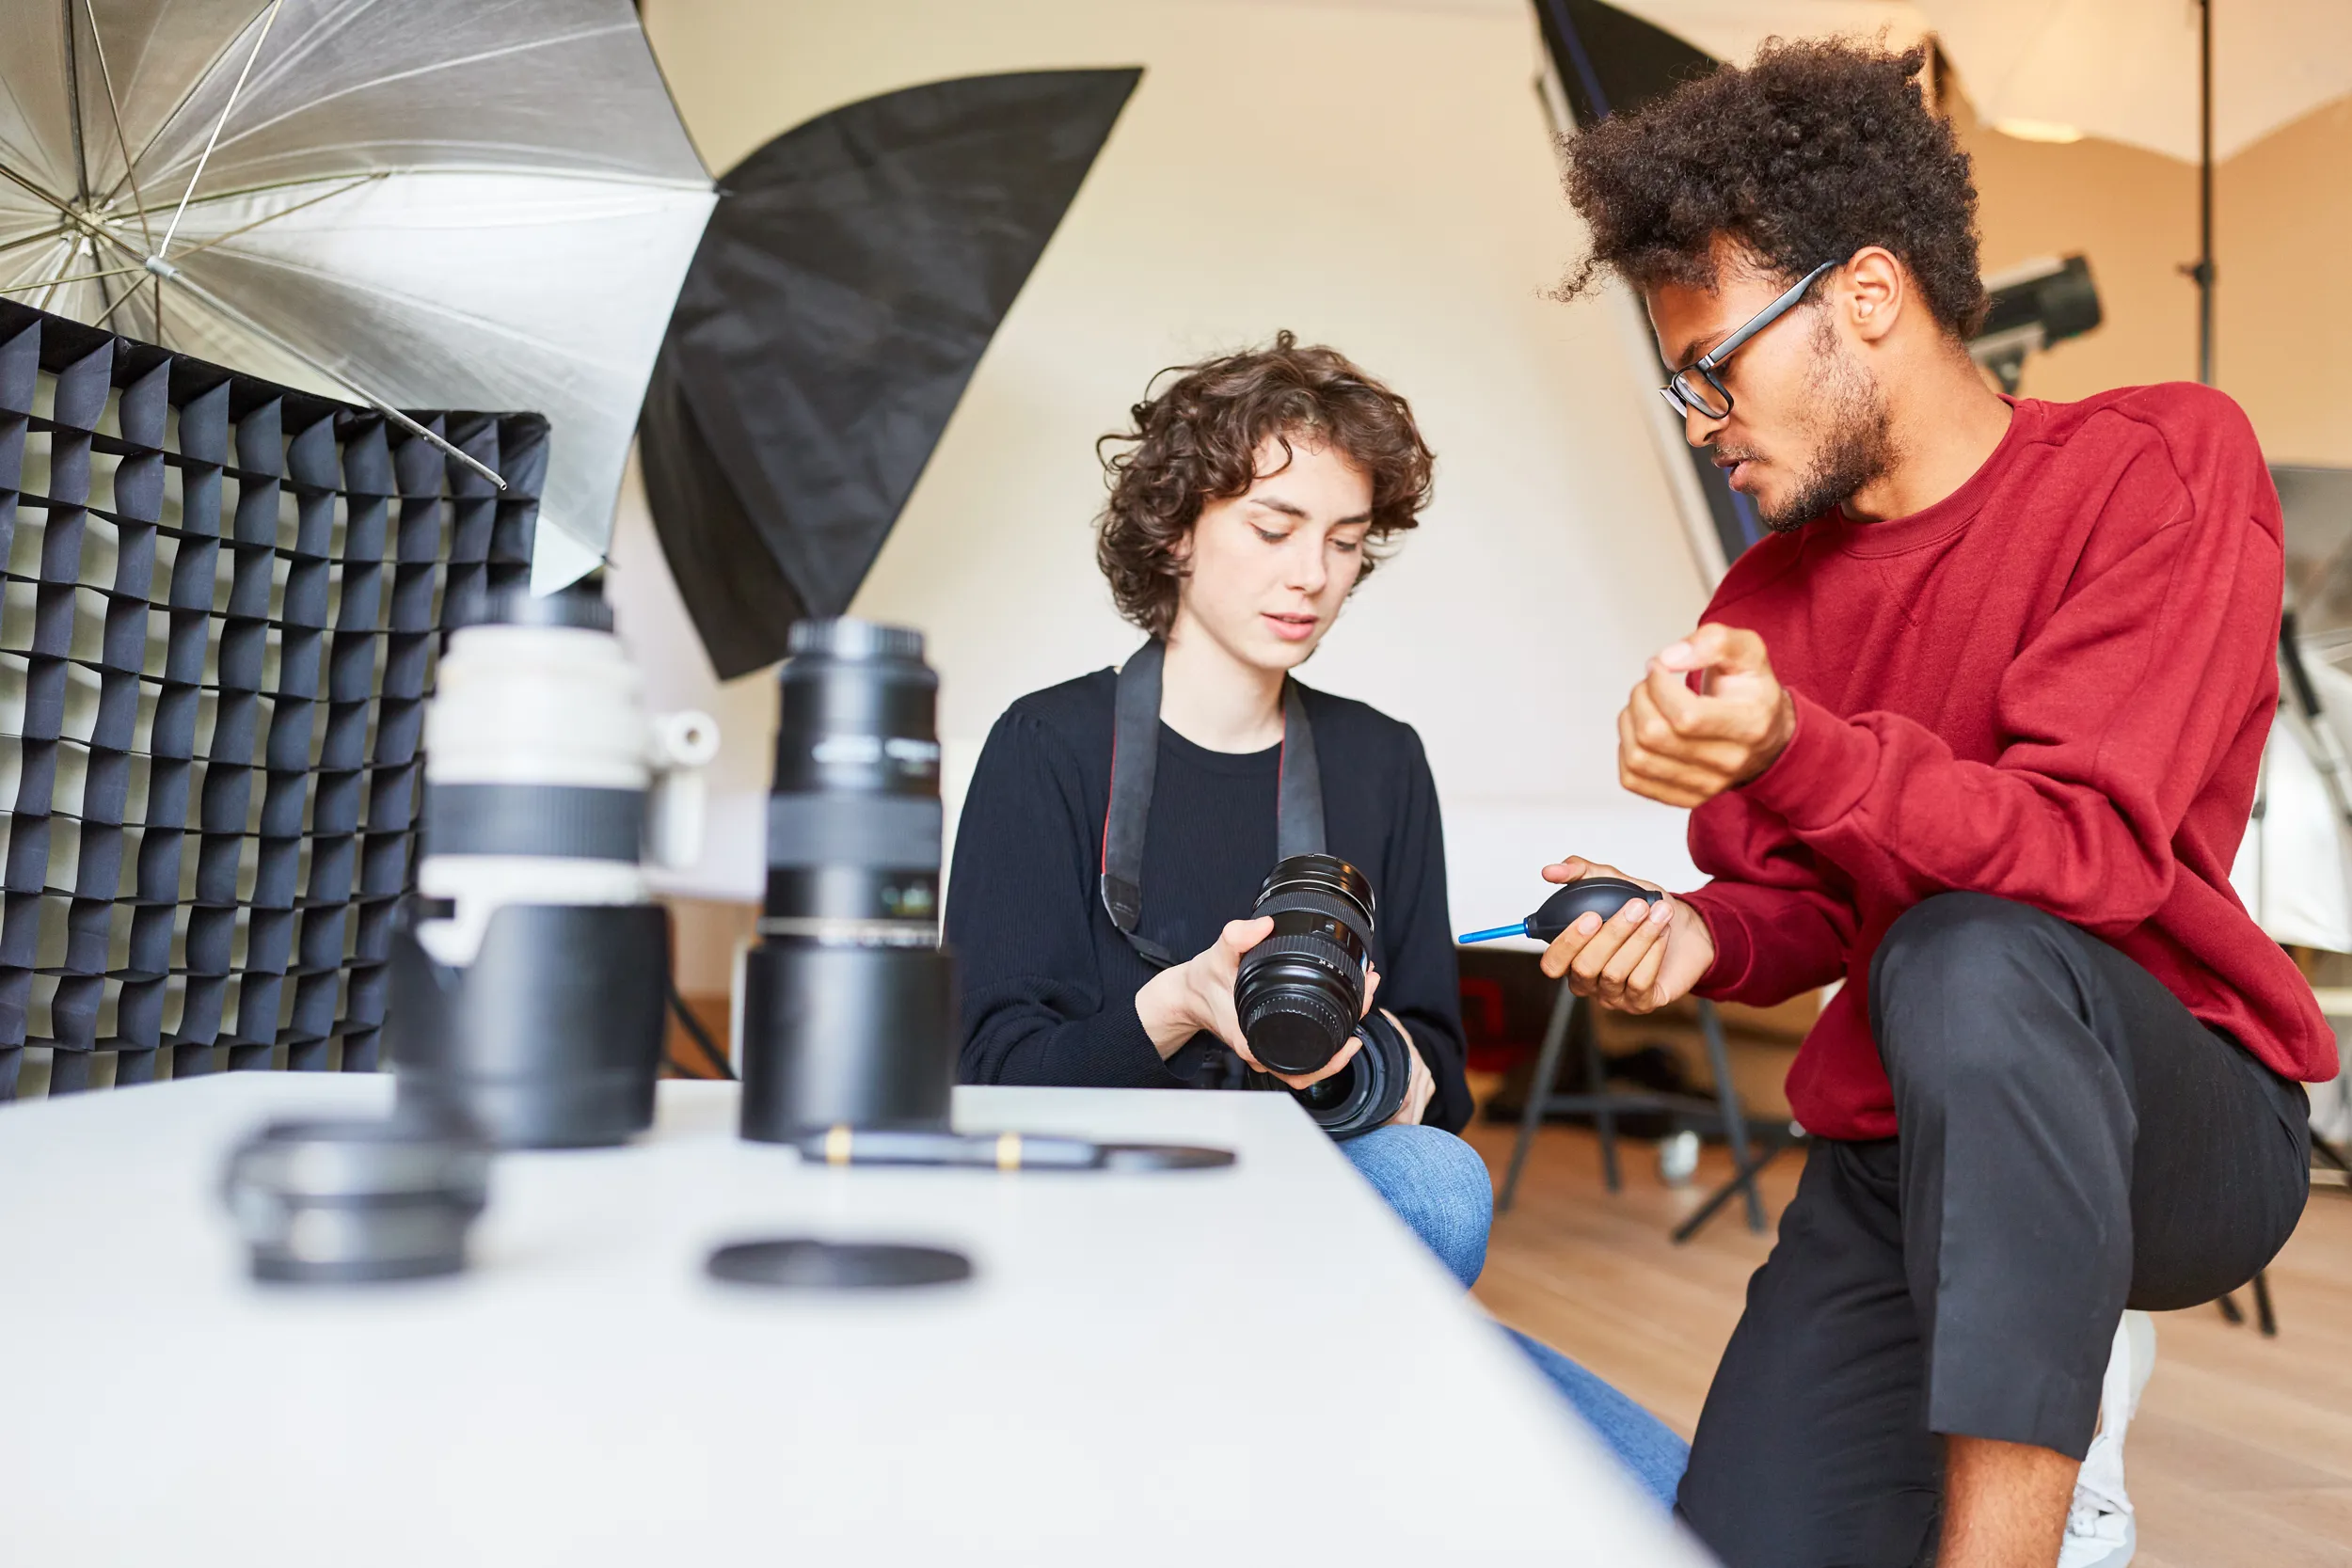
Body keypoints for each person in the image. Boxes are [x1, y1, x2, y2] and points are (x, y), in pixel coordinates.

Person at [1538, 40, 2328, 1568]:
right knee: (1742, 1544)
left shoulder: (2156, 466)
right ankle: (2029, 1350)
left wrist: (1797, 750)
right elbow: (1826, 899)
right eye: (1677, 377)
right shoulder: (1771, 591)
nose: (1699, 413)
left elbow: (2083, 854)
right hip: (1909, 1140)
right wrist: (1697, 932)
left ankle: (2040, 1469)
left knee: (1971, 952)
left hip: (2183, 1118)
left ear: (1868, 300)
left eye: (1716, 363)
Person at [946, 334, 1687, 1503]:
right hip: (1105, 1232)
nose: (1312, 577)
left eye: (1344, 543)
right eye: (1274, 527)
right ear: (1180, 528)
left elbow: (1442, 1067)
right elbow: (985, 1076)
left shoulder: (1379, 761)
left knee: (1680, 1496)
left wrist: (1358, 1053)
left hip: (1321, 1230)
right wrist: (1181, 1002)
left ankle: (1273, 1441)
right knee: (1434, 1207)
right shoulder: (1046, 747)